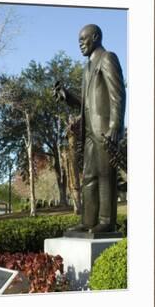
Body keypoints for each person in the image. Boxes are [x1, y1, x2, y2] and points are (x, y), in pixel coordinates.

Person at [54, 24, 126, 233]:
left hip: (104, 128)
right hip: (88, 131)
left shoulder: (107, 58)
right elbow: (86, 102)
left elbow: (118, 95)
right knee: (89, 176)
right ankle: (88, 221)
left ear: (95, 37)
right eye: (78, 41)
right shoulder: (87, 68)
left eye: (83, 40)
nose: (80, 45)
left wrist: (115, 125)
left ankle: (106, 221)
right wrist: (67, 96)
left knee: (105, 174)